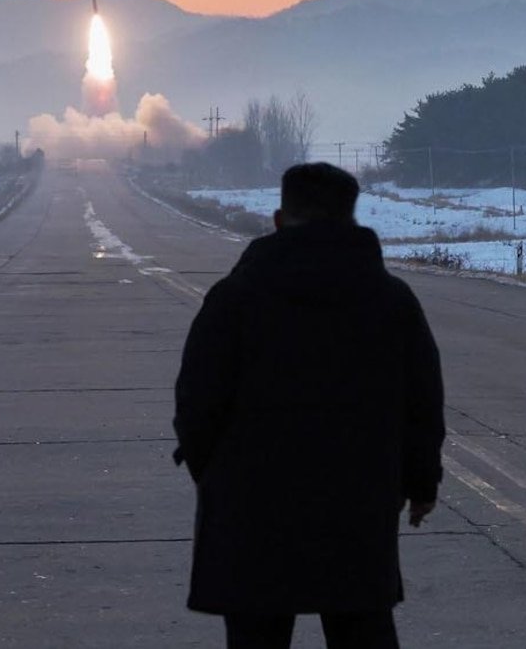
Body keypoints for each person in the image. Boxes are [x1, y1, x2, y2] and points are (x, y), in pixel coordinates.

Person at [174, 162, 447, 649]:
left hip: (251, 509)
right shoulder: (391, 301)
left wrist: (215, 477)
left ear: (279, 219)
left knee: (256, 634)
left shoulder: (235, 298)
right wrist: (421, 483)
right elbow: (423, 403)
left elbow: (196, 403)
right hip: (359, 508)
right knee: (363, 630)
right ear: (352, 219)